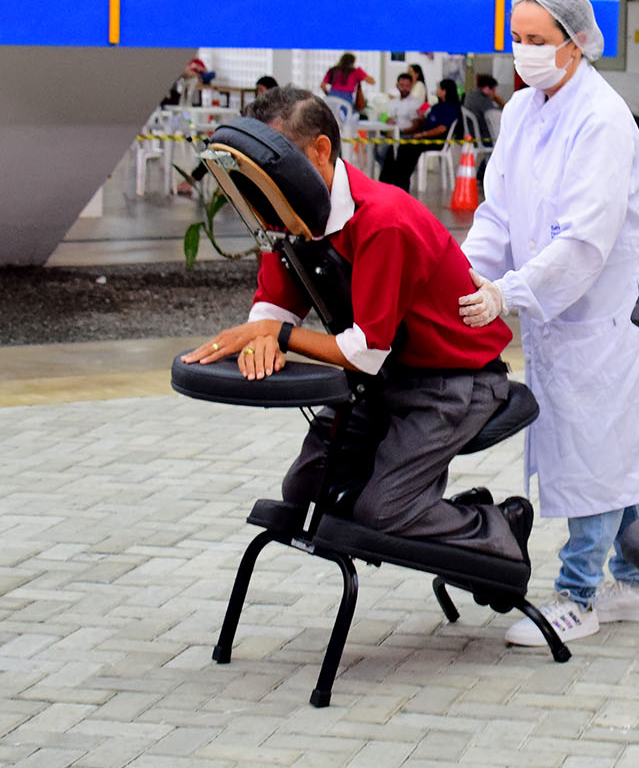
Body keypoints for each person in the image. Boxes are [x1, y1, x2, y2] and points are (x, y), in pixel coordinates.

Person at [181, 88, 529, 558]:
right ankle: (416, 505)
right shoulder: (290, 217)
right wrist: (260, 336)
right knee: (304, 488)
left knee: (382, 513)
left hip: (455, 380)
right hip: (387, 375)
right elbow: (273, 307)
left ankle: (499, 524)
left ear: (320, 151)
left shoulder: (383, 221)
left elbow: (363, 351)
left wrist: (278, 335)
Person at [458, 0, 639, 647]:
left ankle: (579, 595)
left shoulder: (601, 118)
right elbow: (500, 208)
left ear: (576, 43)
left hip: (613, 313)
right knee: (616, 451)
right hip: (567, 313)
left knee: (600, 454)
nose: (523, 52)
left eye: (537, 40)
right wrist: (468, 271)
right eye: (515, 38)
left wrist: (510, 292)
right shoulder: (525, 109)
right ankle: (638, 582)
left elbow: (585, 240)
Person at [380, 78, 460, 193]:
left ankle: (401, 184)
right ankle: (386, 181)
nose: (436, 90)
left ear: (444, 91)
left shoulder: (450, 108)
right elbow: (423, 114)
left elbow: (442, 128)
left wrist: (423, 134)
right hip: (422, 136)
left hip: (434, 140)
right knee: (395, 147)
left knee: (406, 148)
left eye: (438, 88)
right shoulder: (437, 106)